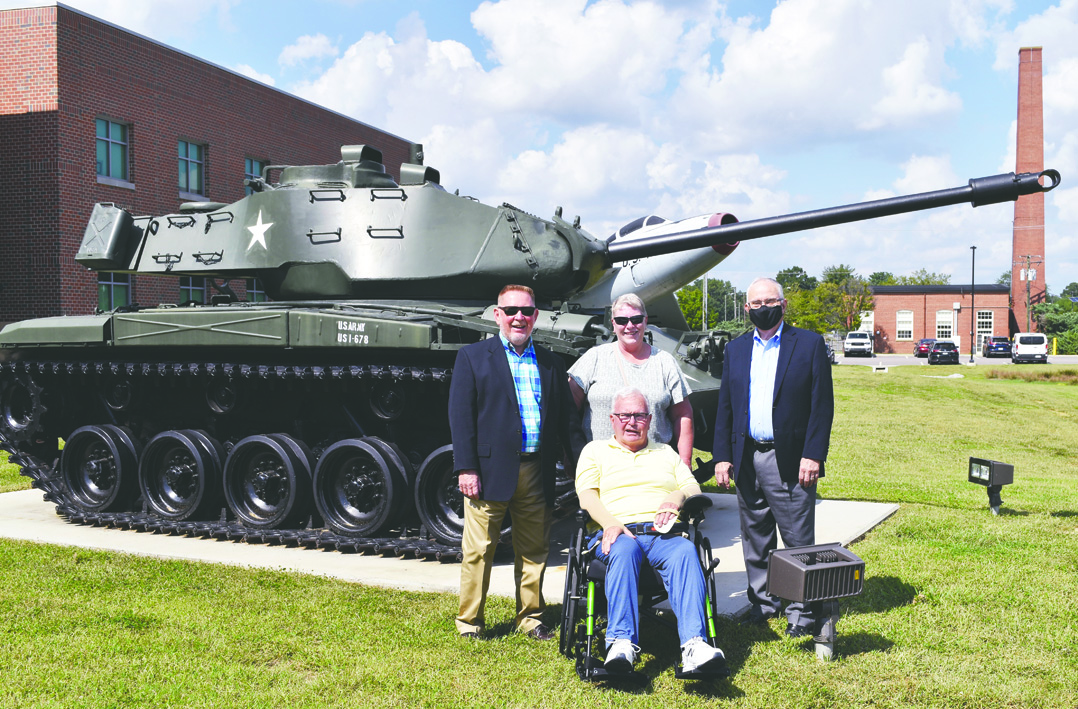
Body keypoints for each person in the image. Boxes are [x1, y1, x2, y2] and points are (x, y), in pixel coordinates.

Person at [449, 284, 585, 640]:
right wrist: (466, 467)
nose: (519, 317)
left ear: (536, 316)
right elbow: (461, 418)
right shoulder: (473, 357)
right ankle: (469, 622)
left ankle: (531, 617)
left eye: (526, 311)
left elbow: (567, 425)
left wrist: (582, 470)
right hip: (489, 471)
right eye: (511, 311)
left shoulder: (552, 364)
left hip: (536, 470)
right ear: (497, 314)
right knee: (479, 550)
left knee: (534, 548)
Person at [711, 277, 834, 637]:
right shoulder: (735, 350)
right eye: (756, 303)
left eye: (770, 301)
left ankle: (803, 611)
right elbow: (726, 408)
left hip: (791, 459)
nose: (763, 307)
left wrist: (813, 455)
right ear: (746, 308)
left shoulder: (808, 345)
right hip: (747, 456)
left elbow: (821, 407)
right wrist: (721, 456)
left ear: (783, 304)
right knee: (755, 536)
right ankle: (764, 603)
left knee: (797, 537)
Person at [576, 387, 726, 674]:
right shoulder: (594, 450)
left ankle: (695, 646)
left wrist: (677, 497)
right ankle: (620, 645)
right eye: (624, 415)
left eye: (640, 415)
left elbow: (692, 487)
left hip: (663, 535)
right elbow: (587, 496)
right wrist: (610, 523)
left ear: (649, 419)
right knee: (624, 548)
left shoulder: (666, 453)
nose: (632, 422)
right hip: (616, 532)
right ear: (612, 419)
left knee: (684, 549)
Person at [568, 293, 694, 467]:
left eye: (636, 319)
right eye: (621, 321)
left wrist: (685, 461)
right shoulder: (594, 358)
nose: (629, 326)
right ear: (613, 324)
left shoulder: (664, 361)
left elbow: (683, 414)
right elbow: (568, 408)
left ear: (645, 321)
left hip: (654, 466)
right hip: (601, 467)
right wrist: (573, 454)